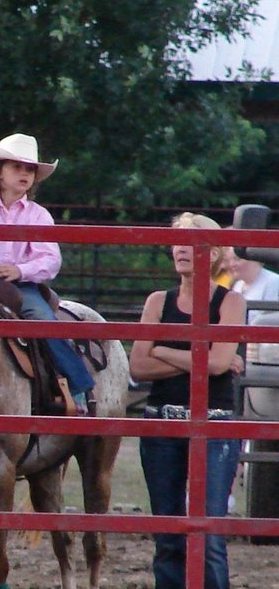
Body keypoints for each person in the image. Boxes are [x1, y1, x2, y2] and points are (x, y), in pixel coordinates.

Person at [129, 212, 245, 589]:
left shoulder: (230, 302)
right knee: (167, 532)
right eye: (177, 240)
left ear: (211, 253)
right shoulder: (157, 301)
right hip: (161, 421)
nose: (180, 248)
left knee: (209, 533)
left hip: (213, 420)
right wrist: (202, 356)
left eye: (191, 241)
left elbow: (219, 364)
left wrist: (163, 349)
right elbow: (138, 366)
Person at [0, 133, 95, 414]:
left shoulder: (38, 215)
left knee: (43, 321)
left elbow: (50, 260)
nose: (24, 173)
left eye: (29, 169)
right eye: (16, 167)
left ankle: (77, 385)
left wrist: (18, 270)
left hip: (21, 287)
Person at [224, 247, 279, 325]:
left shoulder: (274, 281)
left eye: (237, 259)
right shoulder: (238, 285)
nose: (232, 264)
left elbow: (271, 319)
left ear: (254, 259)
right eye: (227, 260)